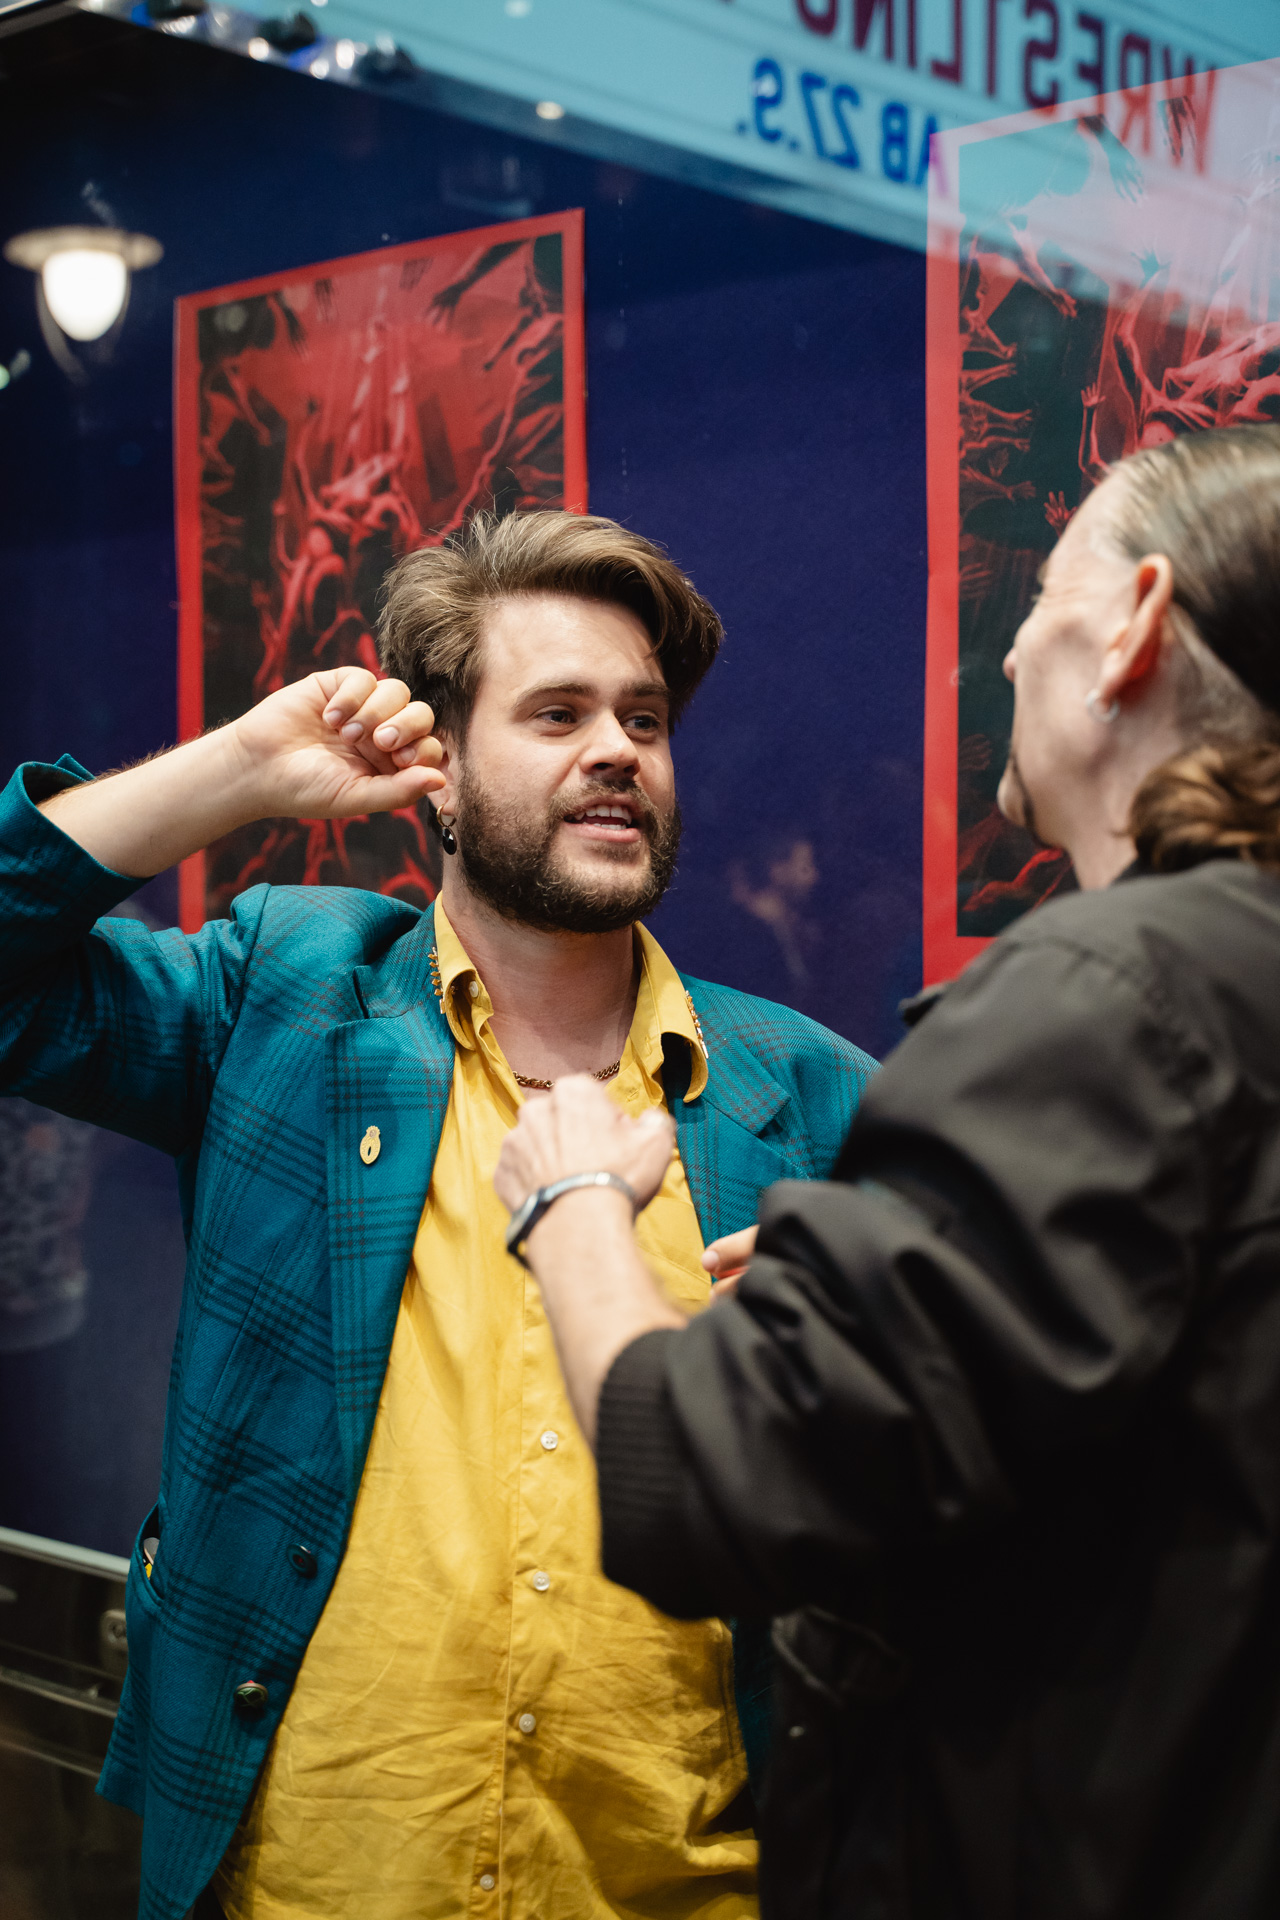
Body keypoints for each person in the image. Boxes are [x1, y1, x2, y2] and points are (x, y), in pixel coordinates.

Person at [0, 509, 875, 1920]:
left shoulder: (812, 1100)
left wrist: (865, 1363)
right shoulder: (281, 1002)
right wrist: (241, 772)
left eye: (644, 719)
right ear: (443, 776)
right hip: (319, 1878)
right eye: (557, 714)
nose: (618, 749)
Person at [495, 425, 1280, 1919]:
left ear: (1134, 628)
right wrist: (876, 1319)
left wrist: (573, 1202)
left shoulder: (1104, 1000)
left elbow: (701, 1487)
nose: (1009, 653)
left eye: (1042, 595)